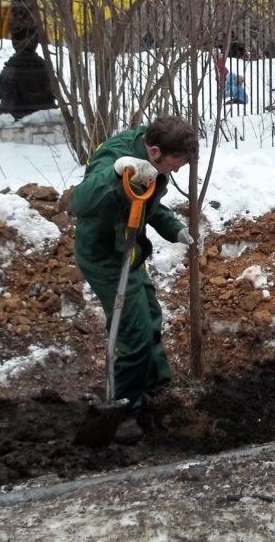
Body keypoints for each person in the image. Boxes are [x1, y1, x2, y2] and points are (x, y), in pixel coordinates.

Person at [70, 115, 199, 444]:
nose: (179, 170)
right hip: (105, 255)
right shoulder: (116, 156)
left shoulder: (153, 160)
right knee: (134, 334)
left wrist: (175, 228)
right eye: (176, 162)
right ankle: (126, 410)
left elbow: (147, 203)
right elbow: (80, 202)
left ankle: (158, 390)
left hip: (128, 251)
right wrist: (116, 174)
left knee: (150, 319)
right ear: (154, 150)